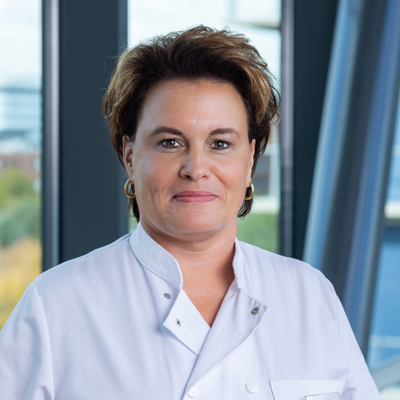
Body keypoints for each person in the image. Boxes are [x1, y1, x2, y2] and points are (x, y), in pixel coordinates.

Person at [0, 26, 381, 399]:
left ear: (250, 159)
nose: (196, 168)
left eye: (220, 143)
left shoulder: (309, 295)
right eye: (170, 142)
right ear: (130, 157)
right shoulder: (56, 306)